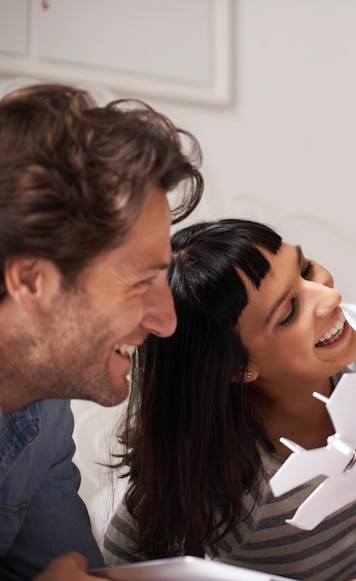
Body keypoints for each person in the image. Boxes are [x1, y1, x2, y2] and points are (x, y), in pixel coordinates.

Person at [102, 218, 356, 581]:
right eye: (289, 312)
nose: (331, 297)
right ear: (238, 367)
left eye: (305, 268)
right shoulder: (210, 483)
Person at [0, 82, 203, 580]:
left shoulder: (42, 400)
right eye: (140, 281)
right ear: (29, 280)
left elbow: (69, 570)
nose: (167, 321)